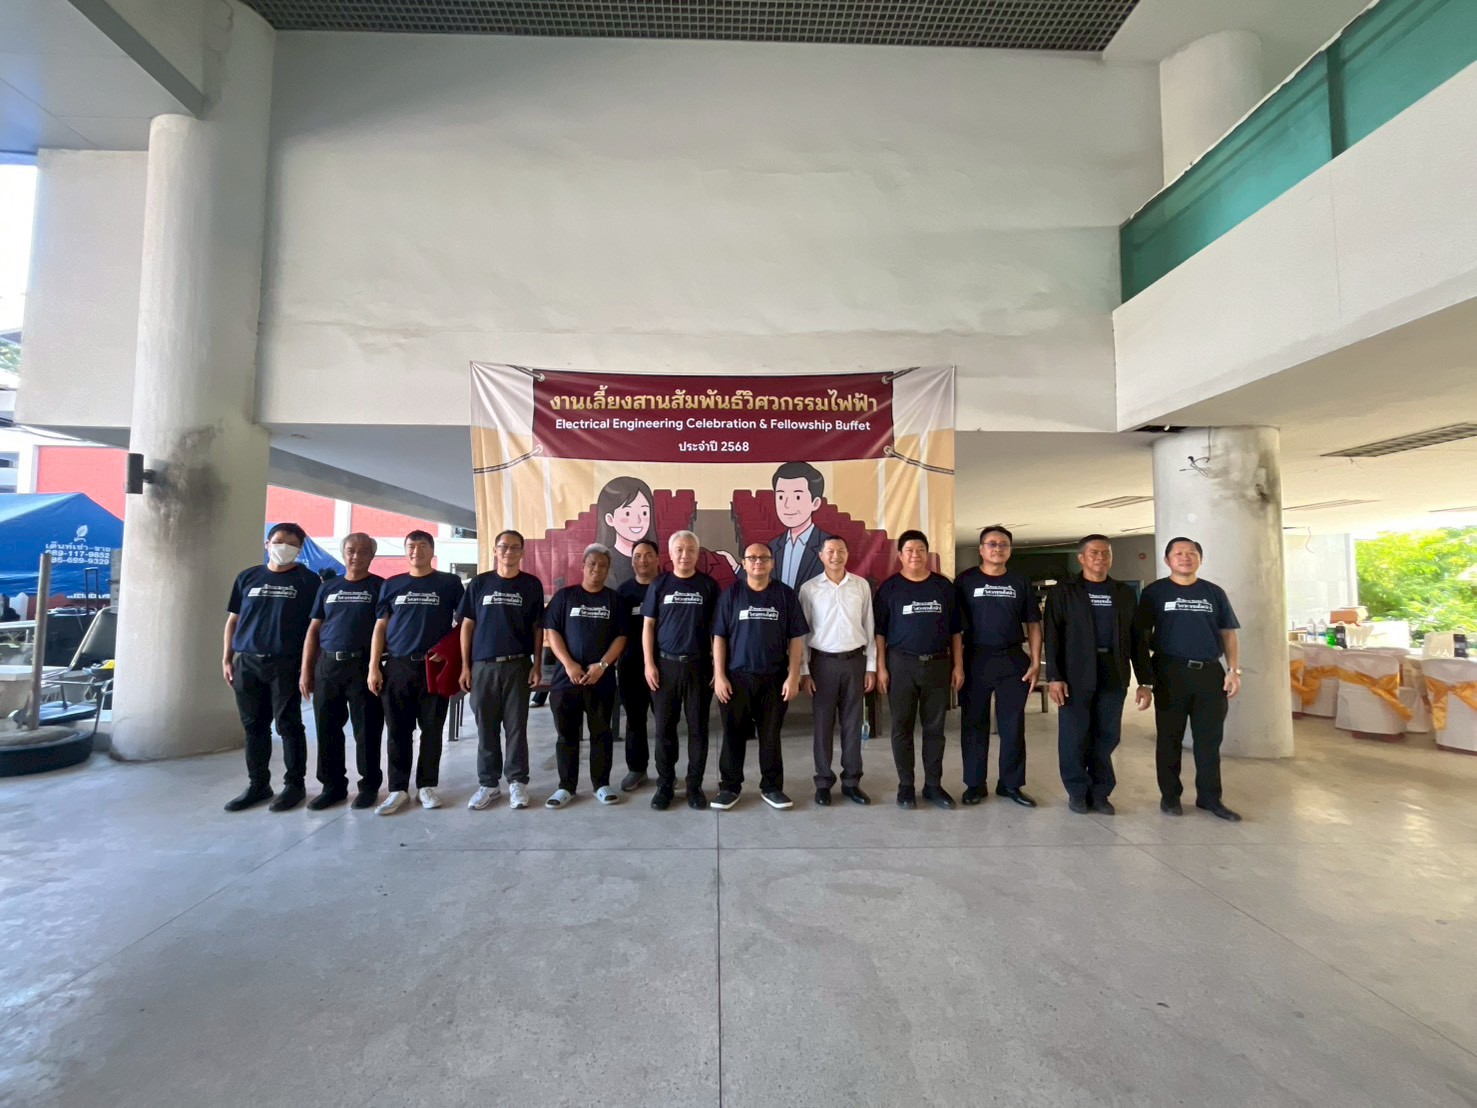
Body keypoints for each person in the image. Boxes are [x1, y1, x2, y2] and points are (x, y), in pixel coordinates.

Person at [1135, 537, 1243, 821]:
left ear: (1200, 559)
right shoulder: (1155, 593)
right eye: (1179, 553)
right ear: (1167, 560)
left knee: (1209, 741)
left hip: (1209, 673)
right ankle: (1170, 797)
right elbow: (1141, 637)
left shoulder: (1213, 593)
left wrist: (1233, 670)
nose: (1185, 557)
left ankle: (1210, 798)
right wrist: (1145, 680)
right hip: (1170, 672)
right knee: (1169, 739)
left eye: (1191, 553)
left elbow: (1228, 633)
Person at [1043, 534, 1151, 815]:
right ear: (1081, 558)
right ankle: (1077, 792)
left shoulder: (1123, 593)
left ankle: (1101, 793)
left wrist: (1145, 681)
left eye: (1106, 553)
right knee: (1075, 735)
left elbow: (1137, 638)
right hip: (1075, 672)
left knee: (1107, 735)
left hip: (1113, 670)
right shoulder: (1064, 592)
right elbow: (1052, 636)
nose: (1100, 558)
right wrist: (1054, 676)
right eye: (1094, 553)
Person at [221, 522, 321, 813]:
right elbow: (233, 620)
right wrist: (227, 658)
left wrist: (308, 668)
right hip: (248, 662)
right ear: (267, 544)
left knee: (288, 725)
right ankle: (258, 785)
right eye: (278, 541)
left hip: (285, 663)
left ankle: (294, 785)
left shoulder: (308, 581)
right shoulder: (247, 577)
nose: (283, 548)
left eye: (291, 544)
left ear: (300, 549)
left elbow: (314, 629)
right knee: (254, 726)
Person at [368, 530, 465, 816]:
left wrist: (448, 652)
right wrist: (373, 666)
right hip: (397, 666)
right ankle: (398, 789)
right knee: (398, 730)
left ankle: (427, 786)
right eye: (411, 546)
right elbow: (380, 627)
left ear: (432, 551)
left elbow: (464, 624)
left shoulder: (449, 583)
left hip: (433, 666)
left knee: (432, 729)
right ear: (405, 550)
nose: (416, 551)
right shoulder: (392, 584)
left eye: (423, 546)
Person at [710, 543, 809, 810]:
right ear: (743, 563)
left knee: (770, 736)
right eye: (752, 558)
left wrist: (793, 676)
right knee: (733, 735)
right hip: (736, 678)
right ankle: (729, 787)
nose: (758, 562)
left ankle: (772, 787)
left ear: (772, 563)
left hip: (774, 679)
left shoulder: (785, 595)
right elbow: (719, 637)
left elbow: (796, 639)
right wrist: (719, 675)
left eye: (763, 558)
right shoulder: (730, 595)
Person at [873, 530, 963, 810]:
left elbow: (956, 631)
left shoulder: (943, 586)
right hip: (901, 664)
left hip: (938, 664)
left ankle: (933, 785)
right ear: (900, 555)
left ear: (928, 554)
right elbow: (879, 633)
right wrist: (881, 668)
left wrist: (958, 666)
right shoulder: (889, 588)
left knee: (935, 729)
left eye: (920, 549)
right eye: (909, 550)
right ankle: (906, 786)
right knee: (901, 727)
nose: (915, 555)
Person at [458, 529, 545, 812]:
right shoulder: (479, 583)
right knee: (486, 727)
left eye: (515, 547)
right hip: (483, 666)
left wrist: (537, 664)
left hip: (518, 665)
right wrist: (465, 666)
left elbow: (538, 628)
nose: (508, 551)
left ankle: (517, 782)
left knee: (516, 727)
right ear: (495, 550)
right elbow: (467, 625)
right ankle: (489, 784)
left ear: (522, 552)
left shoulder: (531, 585)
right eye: (503, 546)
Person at [955, 525, 1042, 808]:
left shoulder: (1020, 580)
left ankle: (1010, 784)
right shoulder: (965, 580)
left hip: (1012, 659)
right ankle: (974, 784)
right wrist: (957, 665)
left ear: (1010, 550)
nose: (997, 549)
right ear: (981, 550)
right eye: (991, 544)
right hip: (975, 659)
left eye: (1003, 544)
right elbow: (955, 628)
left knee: (1013, 725)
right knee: (973, 724)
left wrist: (1036, 661)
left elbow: (1033, 623)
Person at [299, 533, 385, 810]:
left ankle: (369, 786)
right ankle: (332, 787)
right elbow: (314, 629)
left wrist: (375, 666)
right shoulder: (328, 587)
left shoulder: (380, 587)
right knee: (327, 729)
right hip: (328, 666)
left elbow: (385, 629)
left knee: (367, 730)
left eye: (362, 551)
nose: (355, 556)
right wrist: (306, 670)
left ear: (372, 556)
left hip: (362, 666)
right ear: (343, 552)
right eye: (350, 550)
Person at [542, 544, 627, 808]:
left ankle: (601, 784)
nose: (597, 569)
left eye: (602, 565)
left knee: (601, 733)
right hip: (566, 679)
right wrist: (569, 664)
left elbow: (621, 637)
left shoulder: (614, 600)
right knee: (566, 735)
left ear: (608, 569)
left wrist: (602, 665)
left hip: (600, 680)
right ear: (583, 566)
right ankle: (566, 787)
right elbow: (552, 632)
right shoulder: (565, 597)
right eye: (592, 564)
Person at [642, 529, 721, 811]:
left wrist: (717, 667)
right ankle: (665, 785)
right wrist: (649, 664)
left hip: (699, 666)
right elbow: (648, 625)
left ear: (697, 554)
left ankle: (694, 787)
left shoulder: (708, 586)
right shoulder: (659, 584)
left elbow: (718, 632)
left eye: (690, 550)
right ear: (671, 554)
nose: (685, 555)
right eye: (679, 550)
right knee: (664, 729)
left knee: (698, 729)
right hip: (665, 667)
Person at [798, 535, 875, 805]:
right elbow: (802, 634)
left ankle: (852, 782)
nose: (835, 556)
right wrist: (804, 671)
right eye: (829, 551)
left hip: (855, 662)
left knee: (852, 725)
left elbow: (869, 626)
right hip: (822, 664)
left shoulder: (860, 585)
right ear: (820, 555)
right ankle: (823, 782)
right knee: (823, 726)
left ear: (847, 554)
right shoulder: (809, 589)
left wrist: (871, 666)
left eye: (841, 550)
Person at [615, 537, 661, 791]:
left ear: (658, 559)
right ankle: (637, 769)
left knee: (665, 721)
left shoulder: (666, 586)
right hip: (631, 665)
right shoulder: (623, 592)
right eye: (637, 556)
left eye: (648, 555)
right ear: (632, 561)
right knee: (634, 719)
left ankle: (666, 772)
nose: (642, 560)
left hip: (663, 665)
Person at [768, 461, 832, 590]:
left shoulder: (828, 546)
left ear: (815, 503)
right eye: (781, 497)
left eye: (797, 497)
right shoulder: (773, 545)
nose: (787, 505)